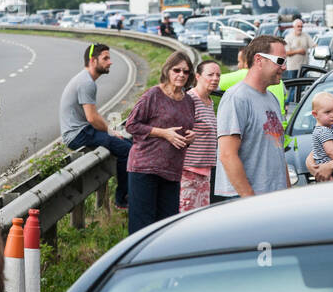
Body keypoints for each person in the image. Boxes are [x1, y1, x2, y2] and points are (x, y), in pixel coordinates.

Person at [125, 52, 196, 232]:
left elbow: (183, 130)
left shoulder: (189, 101)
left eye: (185, 72)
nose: (181, 75)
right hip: (145, 168)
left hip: (172, 171)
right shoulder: (154, 95)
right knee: (143, 227)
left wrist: (189, 138)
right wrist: (163, 133)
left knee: (167, 227)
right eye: (176, 70)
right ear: (167, 71)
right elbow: (131, 124)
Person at [214, 34, 290, 199]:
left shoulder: (272, 99)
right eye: (280, 61)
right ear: (259, 60)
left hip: (274, 197)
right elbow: (227, 155)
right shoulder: (236, 98)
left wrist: (287, 192)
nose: (284, 67)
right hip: (248, 200)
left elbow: (277, 151)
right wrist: (249, 199)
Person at [60, 43, 130, 209]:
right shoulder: (86, 83)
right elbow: (92, 118)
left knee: (129, 144)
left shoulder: (85, 79)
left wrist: (111, 132)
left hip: (83, 131)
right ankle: (122, 199)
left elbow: (92, 118)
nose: (110, 62)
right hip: (78, 135)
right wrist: (110, 131)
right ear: (93, 60)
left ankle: (126, 194)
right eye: (105, 58)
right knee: (127, 150)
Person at [180, 59, 221, 212]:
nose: (215, 78)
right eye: (210, 75)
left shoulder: (209, 102)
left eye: (218, 75)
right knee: (185, 217)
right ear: (198, 76)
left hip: (204, 171)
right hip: (188, 172)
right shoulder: (189, 100)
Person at [218, 45, 287, 118]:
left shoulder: (246, 74)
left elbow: (213, 81)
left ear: (247, 63)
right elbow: (285, 97)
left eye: (239, 61)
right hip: (282, 125)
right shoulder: (277, 79)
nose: (238, 65)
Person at [309, 92, 333, 167]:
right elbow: (330, 151)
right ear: (315, 114)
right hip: (331, 168)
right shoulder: (324, 131)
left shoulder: (326, 129)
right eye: (327, 112)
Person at [284, 19, 312, 95]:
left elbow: (313, 45)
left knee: (303, 88)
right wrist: (298, 51)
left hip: (303, 67)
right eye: (298, 26)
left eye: (301, 26)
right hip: (292, 67)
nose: (300, 28)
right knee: (293, 88)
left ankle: (299, 103)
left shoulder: (306, 36)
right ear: (294, 27)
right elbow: (286, 52)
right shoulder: (288, 37)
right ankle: (289, 103)